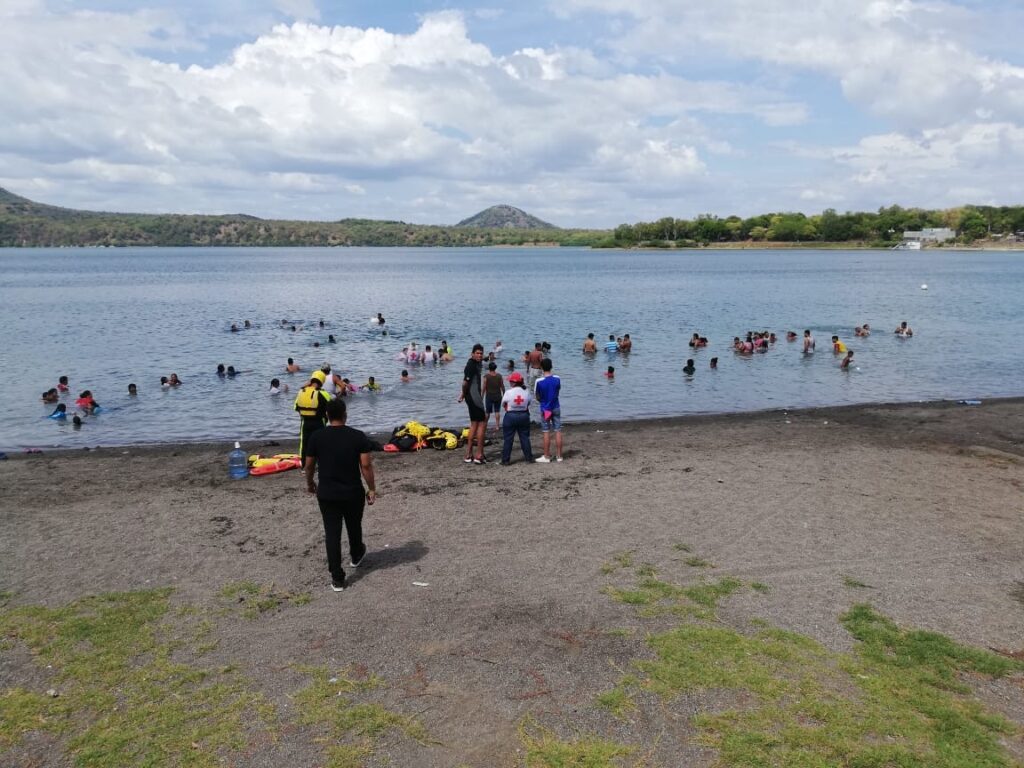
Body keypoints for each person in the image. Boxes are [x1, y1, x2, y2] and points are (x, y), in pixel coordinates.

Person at [304, 398, 375, 592]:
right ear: (345, 414)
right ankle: (356, 554)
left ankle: (337, 578)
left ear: (327, 416)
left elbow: (309, 465)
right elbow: (366, 465)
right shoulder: (358, 436)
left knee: (332, 533)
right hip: (352, 492)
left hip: (327, 493)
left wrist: (310, 483)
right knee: (354, 525)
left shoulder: (317, 437)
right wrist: (371, 488)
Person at [458, 344, 488, 464]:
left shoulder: (477, 362)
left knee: (474, 424)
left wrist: (487, 357)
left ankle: (468, 454)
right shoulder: (471, 366)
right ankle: (479, 454)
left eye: (481, 353)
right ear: (472, 354)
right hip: (474, 398)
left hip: (471, 397)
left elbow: (484, 358)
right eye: (477, 353)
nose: (480, 355)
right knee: (481, 423)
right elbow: (465, 383)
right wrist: (462, 394)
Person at [294, 370, 332, 463]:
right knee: (321, 443)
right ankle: (321, 464)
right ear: (322, 381)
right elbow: (331, 408)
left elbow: (296, 407)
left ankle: (304, 465)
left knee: (304, 444)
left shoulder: (301, 392)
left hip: (305, 423)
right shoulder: (323, 393)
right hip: (319, 422)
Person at [499, 372, 533, 465]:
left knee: (508, 439)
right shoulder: (526, 392)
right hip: (524, 416)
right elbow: (529, 403)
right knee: (525, 438)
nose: (509, 382)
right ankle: (529, 458)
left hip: (510, 416)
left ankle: (505, 460)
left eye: (510, 381)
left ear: (513, 382)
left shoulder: (508, 392)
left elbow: (503, 404)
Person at [534, 358, 563, 463]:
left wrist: (543, 401)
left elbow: (537, 396)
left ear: (541, 367)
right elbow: (558, 391)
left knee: (546, 431)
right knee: (558, 430)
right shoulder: (557, 378)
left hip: (546, 409)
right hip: (556, 407)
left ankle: (546, 456)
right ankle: (559, 456)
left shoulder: (539, 381)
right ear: (551, 366)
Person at [483, 362, 505, 432]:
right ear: (495, 368)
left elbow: (484, 387)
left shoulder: (486, 376)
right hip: (498, 396)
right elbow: (502, 386)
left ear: (489, 368)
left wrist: (482, 396)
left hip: (489, 396)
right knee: (497, 411)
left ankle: (485, 425)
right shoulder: (499, 376)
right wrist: (504, 394)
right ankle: (497, 426)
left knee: (487, 412)